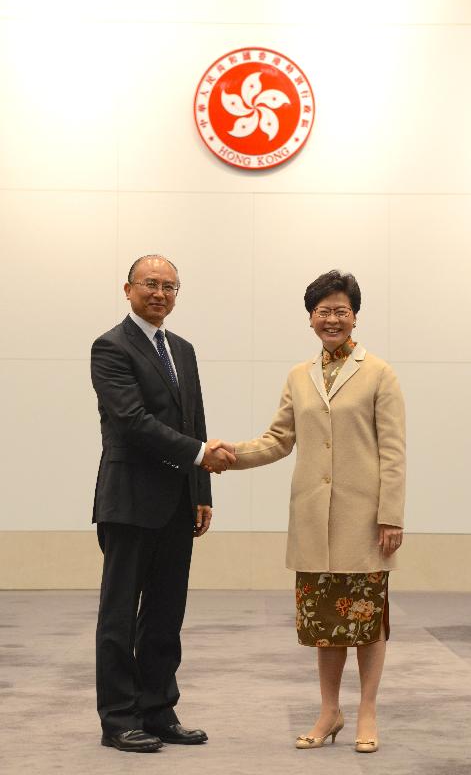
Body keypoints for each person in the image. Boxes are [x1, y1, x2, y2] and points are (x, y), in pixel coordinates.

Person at [219, 269, 405, 754]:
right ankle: (330, 710)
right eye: (323, 312)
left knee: (366, 620)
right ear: (310, 318)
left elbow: (393, 451)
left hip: (364, 521)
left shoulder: (380, 373)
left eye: (341, 311)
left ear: (355, 316)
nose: (332, 319)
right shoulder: (298, 377)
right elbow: (278, 440)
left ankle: (366, 710)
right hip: (311, 520)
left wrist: (392, 514)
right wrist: (225, 456)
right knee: (325, 623)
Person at [91, 254, 235, 753]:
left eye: (169, 286)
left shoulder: (183, 349)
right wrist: (201, 455)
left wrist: (202, 492)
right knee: (119, 615)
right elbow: (131, 421)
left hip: (177, 503)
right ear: (127, 289)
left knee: (166, 613)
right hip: (129, 502)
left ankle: (158, 709)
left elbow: (194, 420)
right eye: (150, 284)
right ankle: (119, 719)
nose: (160, 293)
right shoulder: (110, 347)